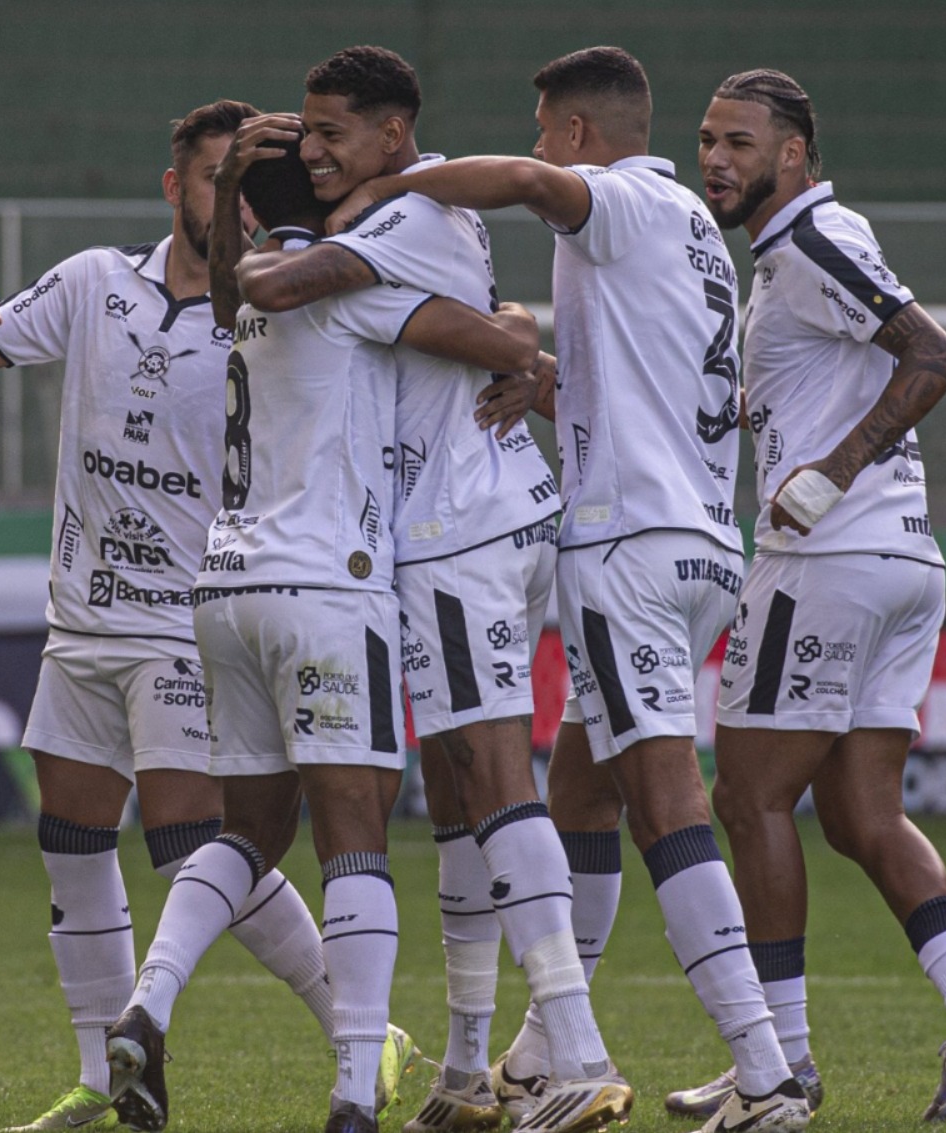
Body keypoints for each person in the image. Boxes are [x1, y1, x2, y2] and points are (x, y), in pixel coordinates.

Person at [327, 46, 816, 1133]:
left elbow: (526, 183)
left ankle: (766, 1072)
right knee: (581, 795)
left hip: (626, 544)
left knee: (662, 797)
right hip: (698, 542)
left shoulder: (620, 197)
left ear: (578, 134)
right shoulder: (694, 236)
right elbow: (641, 377)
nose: (541, 147)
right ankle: (544, 1045)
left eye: (545, 128)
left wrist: (387, 185)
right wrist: (547, 380)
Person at [0, 101, 413, 1133]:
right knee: (70, 834)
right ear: (172, 187)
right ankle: (102, 1073)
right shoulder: (96, 282)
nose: (225, 205)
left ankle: (363, 1032)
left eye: (241, 187)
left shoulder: (271, 309)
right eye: (209, 182)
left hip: (191, 618)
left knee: (196, 836)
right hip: (83, 617)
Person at [101, 133, 543, 1133]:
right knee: (355, 839)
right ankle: (353, 1093)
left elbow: (233, 281)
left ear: (252, 216)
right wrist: (512, 320)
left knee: (247, 831)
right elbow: (507, 347)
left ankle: (149, 1001)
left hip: (225, 585)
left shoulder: (243, 300)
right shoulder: (355, 287)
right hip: (330, 584)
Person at [236, 46, 631, 1133]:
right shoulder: (416, 215)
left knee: (500, 774)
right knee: (456, 793)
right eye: (304, 134)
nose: (313, 151)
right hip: (468, 523)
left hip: (458, 528)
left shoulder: (403, 214)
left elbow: (277, 282)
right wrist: (519, 347)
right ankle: (463, 1071)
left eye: (332, 133)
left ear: (394, 133)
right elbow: (496, 327)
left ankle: (573, 1054)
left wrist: (267, 210)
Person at [661, 67, 946, 1124]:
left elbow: (933, 352)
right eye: (706, 142)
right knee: (860, 811)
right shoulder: (787, 257)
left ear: (794, 155)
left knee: (748, 795)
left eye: (739, 142)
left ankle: (779, 1065)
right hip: (900, 559)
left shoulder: (814, 242)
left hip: (829, 556)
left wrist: (832, 468)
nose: (717, 161)